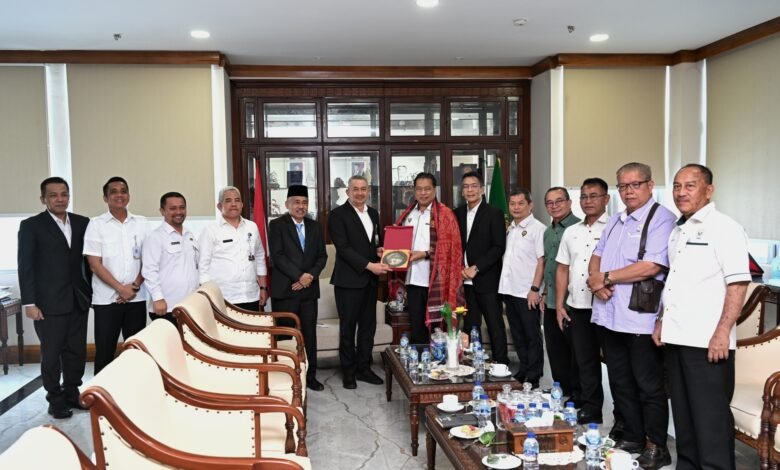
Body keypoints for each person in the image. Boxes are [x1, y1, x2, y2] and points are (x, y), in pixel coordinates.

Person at [653, 164, 749, 470]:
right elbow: (675, 282)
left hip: (708, 342)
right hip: (676, 336)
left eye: (690, 186)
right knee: (684, 418)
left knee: (710, 421)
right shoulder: (678, 230)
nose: (681, 192)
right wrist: (662, 320)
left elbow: (738, 284)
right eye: (677, 186)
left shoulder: (725, 228)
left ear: (709, 190)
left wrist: (723, 332)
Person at [586, 162, 676, 469]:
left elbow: (651, 266)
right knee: (620, 382)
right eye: (623, 186)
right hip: (609, 315)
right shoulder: (616, 220)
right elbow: (597, 255)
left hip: (640, 319)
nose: (629, 191)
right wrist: (596, 282)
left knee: (648, 385)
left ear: (650, 185)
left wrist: (605, 277)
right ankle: (634, 437)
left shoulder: (661, 219)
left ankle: (656, 445)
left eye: (635, 184)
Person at [17, 177, 92, 419]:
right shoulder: (31, 226)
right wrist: (29, 303)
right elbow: (25, 266)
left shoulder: (82, 223)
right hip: (47, 303)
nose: (60, 199)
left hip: (78, 300)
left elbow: (89, 262)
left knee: (76, 351)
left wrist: (89, 293)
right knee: (51, 354)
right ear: (43, 199)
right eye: (53, 195)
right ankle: (55, 398)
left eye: (64, 194)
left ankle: (72, 392)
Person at [555, 178, 610, 424]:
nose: (588, 201)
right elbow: (562, 269)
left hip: (607, 307)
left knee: (615, 364)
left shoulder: (614, 228)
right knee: (585, 362)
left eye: (594, 196)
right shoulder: (572, 231)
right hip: (578, 306)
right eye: (584, 196)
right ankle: (591, 409)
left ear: (606, 199)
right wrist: (560, 304)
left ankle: (622, 416)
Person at [329, 175, 389, 389]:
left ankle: (364, 368)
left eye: (364, 189)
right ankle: (348, 372)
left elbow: (372, 242)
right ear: (348, 191)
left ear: (368, 191)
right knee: (348, 328)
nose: (360, 193)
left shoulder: (373, 213)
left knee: (367, 327)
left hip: (370, 282)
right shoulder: (337, 215)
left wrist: (379, 251)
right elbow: (343, 249)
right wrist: (370, 265)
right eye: (355, 189)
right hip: (348, 281)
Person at [84, 176, 148, 375]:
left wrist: (133, 287)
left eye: (124, 191)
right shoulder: (96, 224)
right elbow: (94, 264)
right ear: (105, 198)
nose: (120, 195)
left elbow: (150, 260)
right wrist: (121, 289)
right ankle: (102, 392)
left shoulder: (142, 223)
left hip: (137, 297)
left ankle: (135, 389)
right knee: (105, 350)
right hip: (106, 300)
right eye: (114, 192)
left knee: (135, 350)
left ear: (129, 195)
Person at [268, 185, 328, 392]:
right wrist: (299, 276)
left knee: (309, 335)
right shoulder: (277, 225)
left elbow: (322, 256)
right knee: (286, 336)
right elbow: (277, 256)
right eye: (296, 202)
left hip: (309, 290)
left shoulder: (315, 226)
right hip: (286, 290)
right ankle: (287, 377)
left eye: (304, 202)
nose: (300, 206)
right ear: (287, 204)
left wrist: (309, 276)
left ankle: (310, 376)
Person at [395, 172, 464, 345]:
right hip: (412, 279)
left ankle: (439, 360)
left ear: (434, 190)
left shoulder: (446, 215)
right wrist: (389, 251)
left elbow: (451, 247)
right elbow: (399, 243)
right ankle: (420, 359)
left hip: (437, 282)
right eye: (419, 189)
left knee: (437, 329)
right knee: (417, 327)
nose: (423, 193)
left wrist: (425, 253)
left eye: (427, 189)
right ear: (414, 190)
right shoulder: (408, 214)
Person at [455, 171, 508, 365]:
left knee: (494, 323)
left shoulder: (494, 213)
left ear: (482, 189)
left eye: (474, 186)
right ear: (462, 191)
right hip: (464, 279)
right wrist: (459, 268)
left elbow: (498, 247)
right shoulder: (457, 213)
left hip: (487, 278)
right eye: (466, 187)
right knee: (470, 323)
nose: (470, 190)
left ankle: (501, 362)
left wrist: (476, 268)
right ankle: (471, 362)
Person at [498, 187, 545, 385]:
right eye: (512, 204)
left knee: (532, 335)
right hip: (510, 290)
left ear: (530, 205)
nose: (516, 207)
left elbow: (542, 261)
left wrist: (535, 289)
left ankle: (534, 375)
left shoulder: (538, 229)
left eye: (521, 203)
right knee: (517, 334)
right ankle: (523, 369)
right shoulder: (510, 229)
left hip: (527, 293)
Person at [199, 186, 268, 311]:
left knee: (252, 324)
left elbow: (260, 257)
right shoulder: (210, 230)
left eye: (237, 200)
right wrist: (207, 295)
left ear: (242, 204)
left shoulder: (252, 227)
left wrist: (263, 288)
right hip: (223, 297)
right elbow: (203, 265)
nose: (233, 204)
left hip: (251, 295)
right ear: (219, 206)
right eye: (228, 201)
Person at [542, 187, 580, 400]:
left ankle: (577, 393)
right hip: (550, 299)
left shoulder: (578, 228)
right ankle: (561, 388)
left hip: (570, 301)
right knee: (555, 349)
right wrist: (543, 292)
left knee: (574, 350)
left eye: (559, 201)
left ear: (569, 202)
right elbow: (548, 264)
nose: (554, 206)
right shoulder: (548, 232)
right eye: (550, 203)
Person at [141, 192, 199, 325]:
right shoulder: (155, 237)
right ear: (162, 211)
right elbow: (149, 271)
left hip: (190, 306)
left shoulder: (189, 235)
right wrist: (158, 298)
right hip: (167, 307)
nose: (178, 212)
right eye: (173, 208)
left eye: (182, 207)